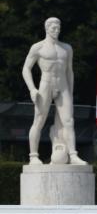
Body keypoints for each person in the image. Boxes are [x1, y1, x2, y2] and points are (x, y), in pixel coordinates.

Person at [21, 17, 87, 165]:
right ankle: (33, 156)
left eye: (58, 28)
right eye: (53, 28)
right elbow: (26, 68)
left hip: (62, 85)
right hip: (45, 85)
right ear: (47, 28)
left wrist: (70, 91)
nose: (56, 30)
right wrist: (32, 89)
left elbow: (70, 71)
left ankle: (73, 154)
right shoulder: (38, 47)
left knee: (69, 121)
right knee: (39, 120)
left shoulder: (66, 48)